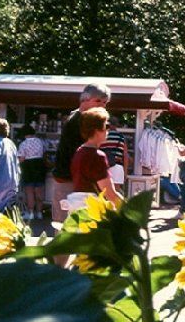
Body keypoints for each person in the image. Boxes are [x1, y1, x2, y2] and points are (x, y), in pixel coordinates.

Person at [52, 83, 111, 226]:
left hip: (71, 181)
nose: (102, 105)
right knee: (66, 228)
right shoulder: (78, 121)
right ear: (84, 100)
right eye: (98, 101)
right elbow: (82, 157)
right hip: (68, 182)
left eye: (104, 102)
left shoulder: (78, 117)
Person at [70, 107, 123, 205]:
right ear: (97, 130)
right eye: (106, 126)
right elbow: (109, 193)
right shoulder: (97, 156)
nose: (108, 130)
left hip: (76, 207)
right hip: (91, 209)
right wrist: (131, 211)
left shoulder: (79, 152)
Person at [17, 124, 46, 220]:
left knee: (29, 191)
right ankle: (39, 212)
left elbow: (21, 159)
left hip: (28, 167)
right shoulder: (40, 142)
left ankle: (30, 213)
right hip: (39, 166)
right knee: (39, 191)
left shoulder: (23, 144)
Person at [99, 115, 128, 194]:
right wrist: (125, 172)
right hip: (117, 166)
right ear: (117, 124)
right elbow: (125, 156)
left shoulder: (103, 136)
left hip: (104, 166)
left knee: (103, 192)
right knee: (116, 192)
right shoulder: (121, 137)